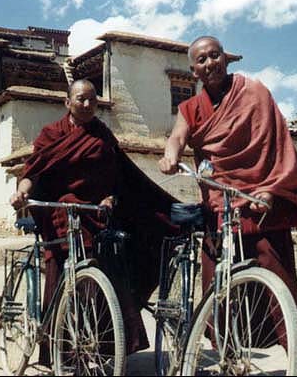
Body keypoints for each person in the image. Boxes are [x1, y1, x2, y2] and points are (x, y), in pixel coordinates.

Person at [159, 36, 297, 372]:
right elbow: (178, 135)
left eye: (215, 56)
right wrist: (170, 153)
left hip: (260, 200)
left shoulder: (254, 93)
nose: (210, 64)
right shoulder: (191, 108)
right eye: (202, 60)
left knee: (280, 276)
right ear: (193, 71)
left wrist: (270, 189)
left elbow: (278, 145)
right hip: (218, 205)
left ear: (226, 58)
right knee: (216, 289)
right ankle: (228, 358)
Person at [10, 79, 177, 364]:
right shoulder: (52, 134)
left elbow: (119, 179)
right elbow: (33, 171)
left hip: (95, 212)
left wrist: (111, 198)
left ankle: (103, 342)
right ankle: (60, 349)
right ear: (67, 102)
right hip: (58, 210)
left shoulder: (103, 136)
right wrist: (21, 193)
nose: (87, 105)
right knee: (59, 273)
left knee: (114, 263)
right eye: (80, 99)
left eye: (92, 100)